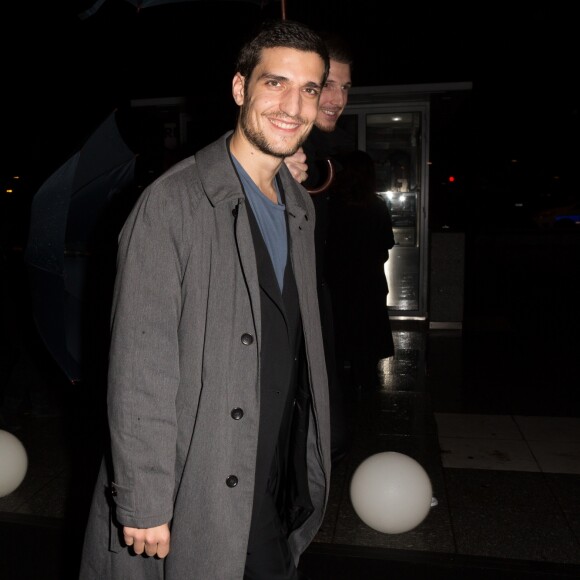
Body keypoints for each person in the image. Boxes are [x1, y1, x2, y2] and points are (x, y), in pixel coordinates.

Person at [79, 19, 331, 580]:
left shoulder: (298, 206)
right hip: (200, 478)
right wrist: (143, 496)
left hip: (270, 474)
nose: (293, 104)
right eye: (275, 83)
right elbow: (140, 365)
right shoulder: (173, 203)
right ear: (240, 88)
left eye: (309, 89)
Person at [284, 31, 354, 463]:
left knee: (325, 430)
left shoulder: (322, 154)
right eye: (327, 84)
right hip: (284, 309)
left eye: (346, 87)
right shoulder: (278, 147)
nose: (338, 98)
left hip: (315, 301)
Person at [324, 149, 396, 391]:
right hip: (369, 280)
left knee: (341, 330)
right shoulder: (376, 206)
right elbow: (385, 247)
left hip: (339, 280)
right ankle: (365, 384)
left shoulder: (332, 205)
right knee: (368, 333)